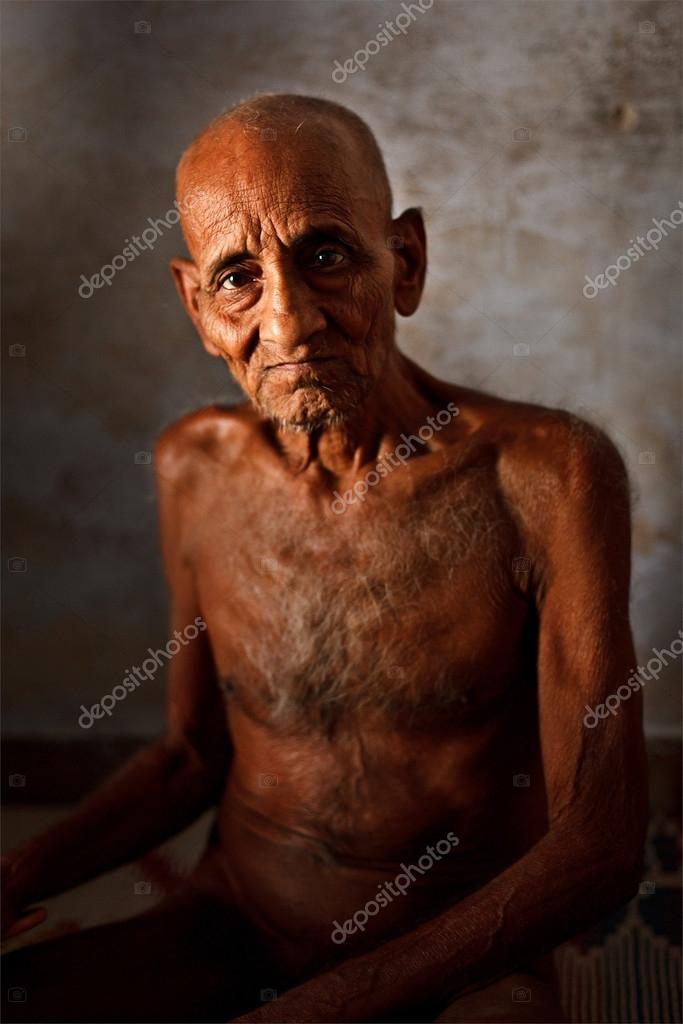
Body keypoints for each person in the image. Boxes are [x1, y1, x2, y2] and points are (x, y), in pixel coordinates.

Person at [2, 93, 648, 1024]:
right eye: (237, 279)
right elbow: (190, 755)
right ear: (197, 307)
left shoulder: (549, 475)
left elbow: (599, 842)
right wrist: (23, 869)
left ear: (406, 262)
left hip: (458, 961)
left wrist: (325, 1008)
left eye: (326, 255)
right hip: (229, 926)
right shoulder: (194, 467)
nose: (290, 322)